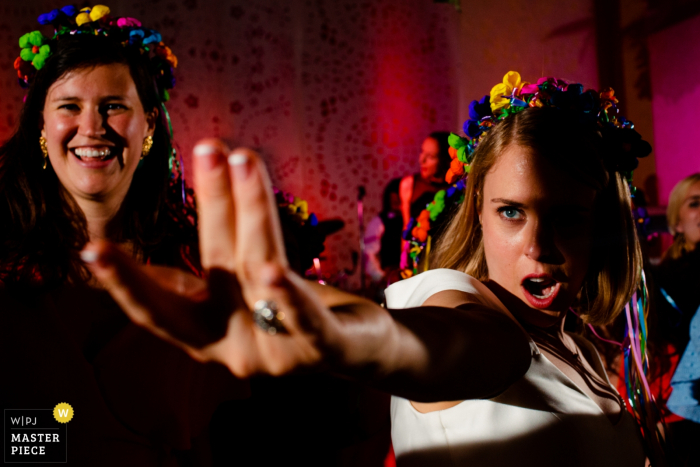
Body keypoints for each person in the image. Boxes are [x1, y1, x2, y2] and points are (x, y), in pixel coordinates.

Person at [82, 74, 657, 466]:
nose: (539, 246)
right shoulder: (465, 309)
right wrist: (322, 332)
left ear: (601, 224)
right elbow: (413, 344)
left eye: (567, 218)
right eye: (511, 212)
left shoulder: (577, 340)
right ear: (477, 212)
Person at [0, 6, 246, 465]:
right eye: (69, 106)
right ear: (40, 126)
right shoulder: (2, 261)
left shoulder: (195, 269)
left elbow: (219, 439)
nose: (92, 127)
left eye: (112, 106)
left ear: (149, 126)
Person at [400, 132, 451, 229]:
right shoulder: (409, 184)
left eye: (431, 156)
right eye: (422, 151)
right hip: (417, 243)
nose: (422, 160)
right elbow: (406, 230)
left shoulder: (458, 186)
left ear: (444, 160)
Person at [365, 178, 403, 287]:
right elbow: (370, 252)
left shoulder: (411, 220)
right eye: (395, 202)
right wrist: (380, 275)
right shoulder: (379, 222)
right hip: (390, 277)